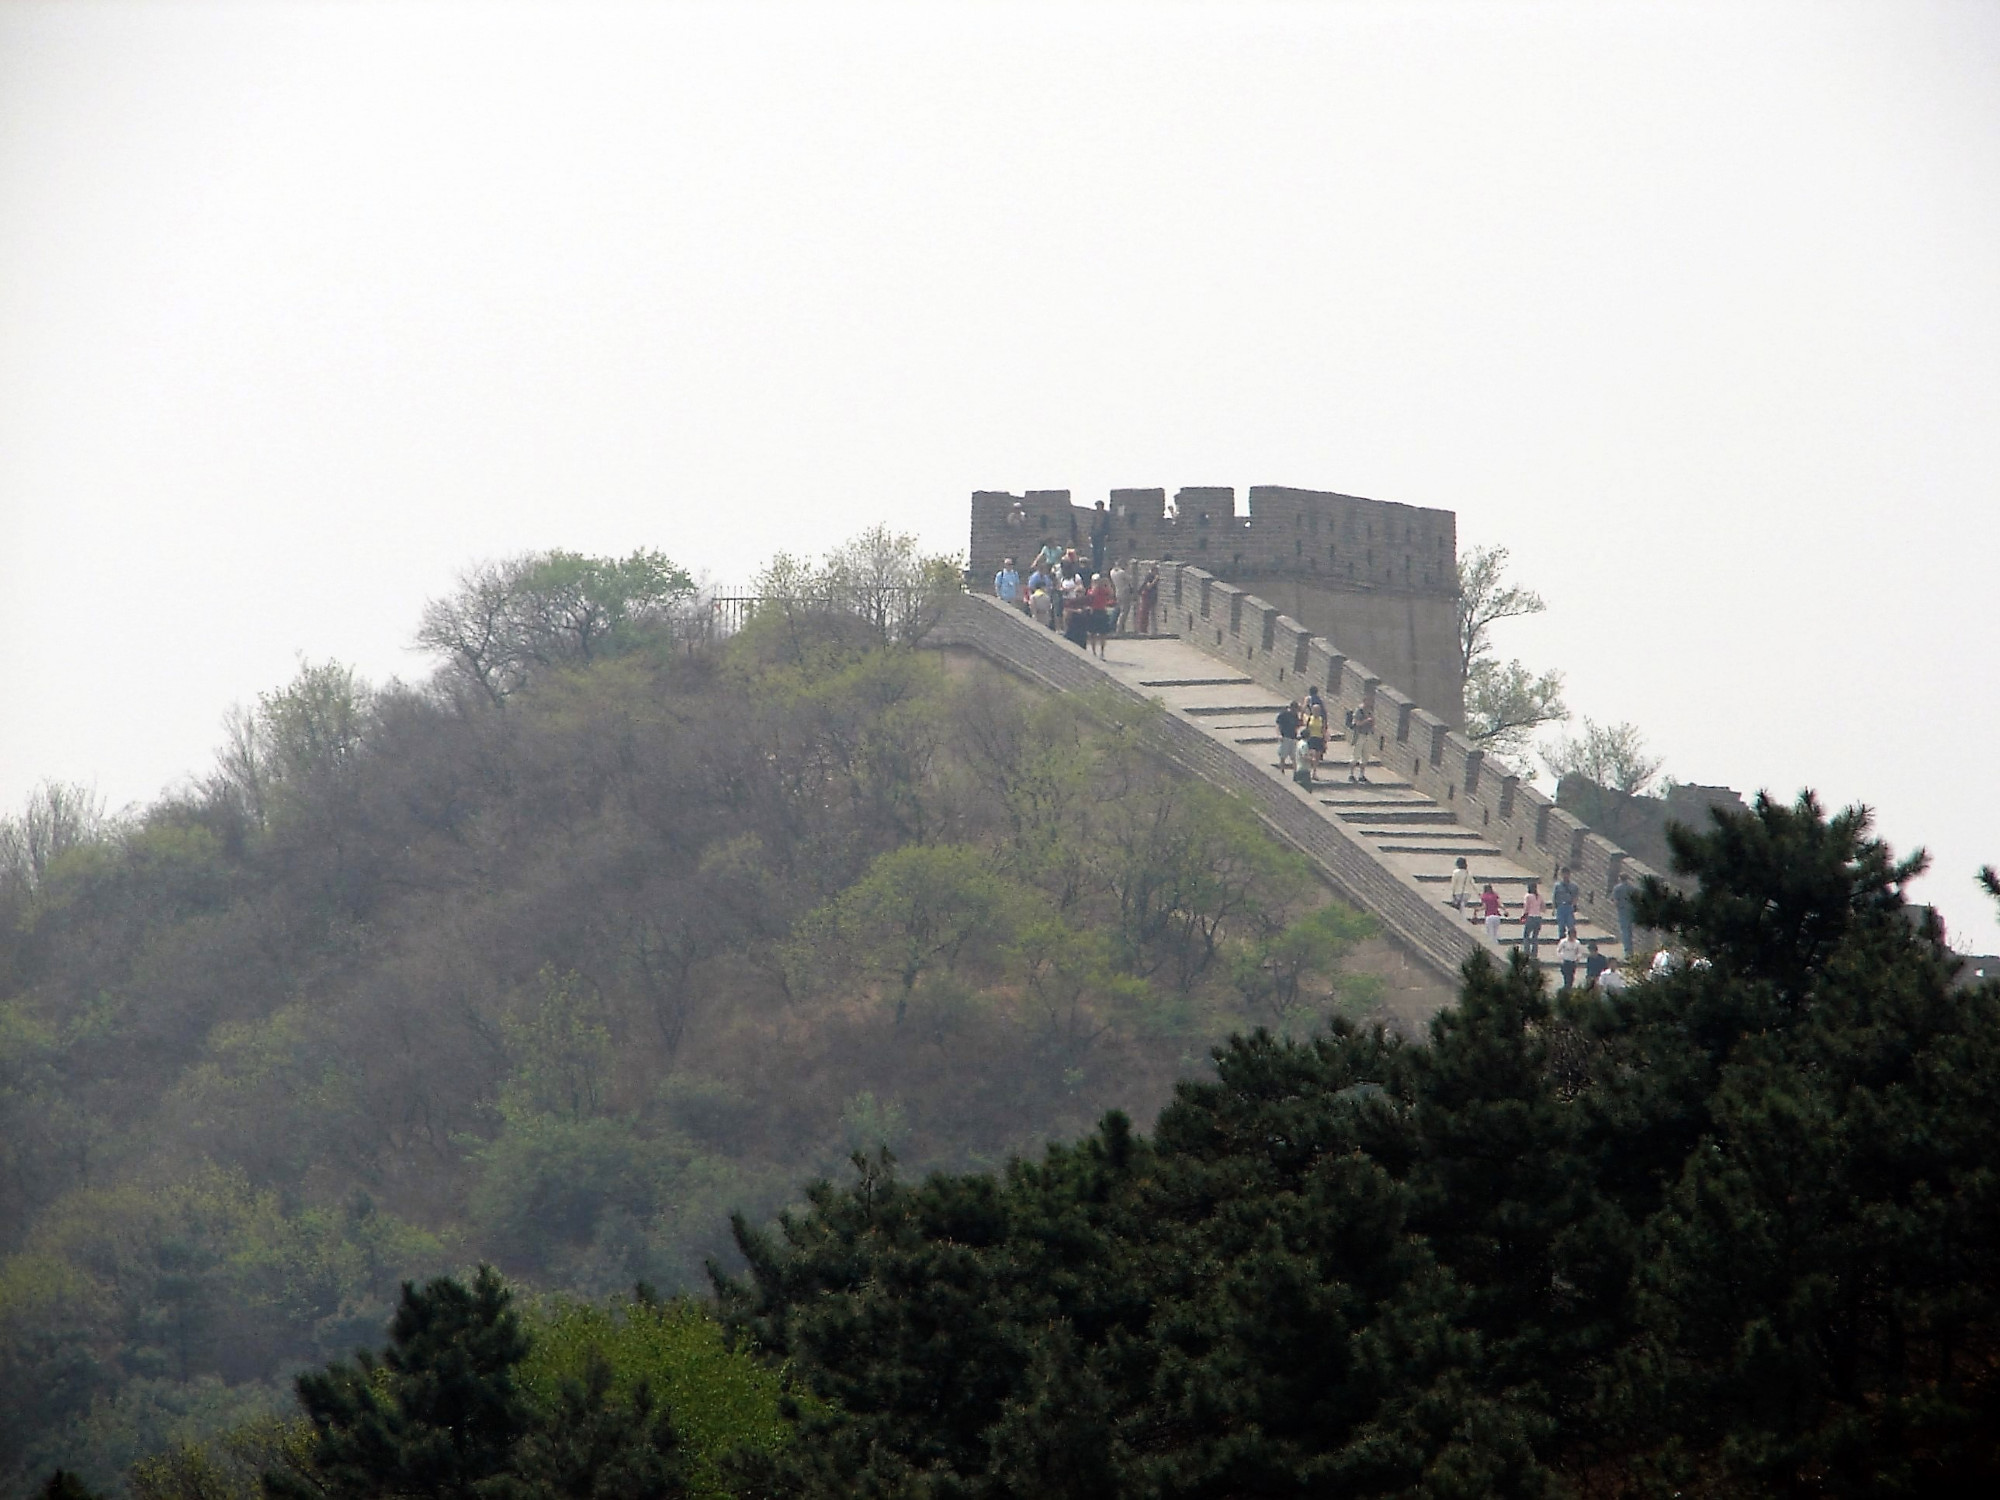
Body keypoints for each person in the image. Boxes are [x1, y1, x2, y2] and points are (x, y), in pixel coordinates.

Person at [1085, 574, 1115, 657]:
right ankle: (1094, 652)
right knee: (1092, 634)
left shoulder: (1103, 590)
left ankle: (1102, 652)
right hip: (1093, 612)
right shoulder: (1090, 590)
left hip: (1101, 611)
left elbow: (1111, 595)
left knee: (1103, 634)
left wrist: (1108, 584)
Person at [1611, 872, 1639, 957]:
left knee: (1625, 931)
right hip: (1631, 911)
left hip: (1622, 911)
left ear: (1620, 878)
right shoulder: (1632, 888)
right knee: (1630, 931)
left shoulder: (1617, 888)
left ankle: (1628, 952)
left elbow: (1615, 901)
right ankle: (1631, 950)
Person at [1348, 699, 1375, 782]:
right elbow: (1357, 723)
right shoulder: (1359, 711)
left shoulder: (1370, 712)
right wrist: (1367, 721)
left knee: (1365, 756)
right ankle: (1351, 775)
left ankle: (1361, 775)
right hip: (1359, 735)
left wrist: (1372, 724)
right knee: (1355, 755)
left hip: (1367, 735)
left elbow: (1373, 722)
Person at [1519, 880, 1544, 960]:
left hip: (1530, 917)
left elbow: (1526, 908)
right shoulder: (1539, 896)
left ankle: (1526, 952)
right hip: (1538, 917)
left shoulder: (1528, 896)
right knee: (1535, 937)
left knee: (1526, 935)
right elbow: (1543, 907)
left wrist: (1523, 916)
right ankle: (1534, 954)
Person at [1552, 866, 1578, 939]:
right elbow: (1554, 897)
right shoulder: (1557, 886)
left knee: (1571, 925)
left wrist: (1573, 905)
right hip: (1560, 907)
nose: (1565, 876)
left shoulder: (1573, 886)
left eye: (1567, 874)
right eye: (1563, 874)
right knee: (1561, 926)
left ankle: (1572, 941)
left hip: (1569, 906)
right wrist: (1554, 908)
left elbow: (1576, 896)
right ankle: (1562, 942)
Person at [1303, 701, 1328, 780]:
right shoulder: (1310, 718)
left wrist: (1325, 741)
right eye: (1315, 710)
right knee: (1312, 756)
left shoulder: (1322, 720)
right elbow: (1306, 728)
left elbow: (1324, 730)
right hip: (1311, 738)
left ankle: (1314, 773)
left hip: (1319, 739)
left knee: (1317, 758)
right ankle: (1309, 771)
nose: (1316, 712)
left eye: (1318, 710)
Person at [1275, 700, 1301, 771]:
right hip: (1285, 737)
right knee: (1283, 756)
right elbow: (1278, 725)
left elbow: (1297, 725)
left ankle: (1296, 772)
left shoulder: (1295, 715)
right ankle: (1281, 770)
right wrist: (1279, 735)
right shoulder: (1284, 714)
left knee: (1294, 756)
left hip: (1293, 738)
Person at [1089, 499, 1111, 576]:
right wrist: (1090, 534)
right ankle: (1095, 567)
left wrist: (1106, 534)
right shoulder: (1095, 515)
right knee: (1095, 551)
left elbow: (1107, 525)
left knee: (1100, 551)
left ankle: (1099, 567)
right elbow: (1092, 525)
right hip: (1095, 535)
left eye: (1098, 505)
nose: (1097, 507)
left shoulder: (1106, 515)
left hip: (1101, 535)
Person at [1109, 562, 1132, 633]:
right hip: (1124, 592)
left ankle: (1120, 628)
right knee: (1124, 611)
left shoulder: (1112, 572)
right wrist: (1129, 570)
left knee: (1121, 609)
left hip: (1117, 592)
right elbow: (1129, 579)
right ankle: (1119, 628)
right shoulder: (1122, 573)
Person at [1137, 567, 1160, 635]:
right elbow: (1149, 586)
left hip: (1150, 597)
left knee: (1151, 613)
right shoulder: (1149, 576)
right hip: (1148, 597)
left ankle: (1152, 630)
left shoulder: (1150, 576)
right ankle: (1149, 630)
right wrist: (1155, 580)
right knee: (1148, 613)